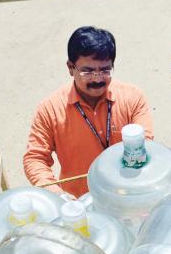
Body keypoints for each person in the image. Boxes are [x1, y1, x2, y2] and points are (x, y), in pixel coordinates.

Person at [24, 26, 154, 197]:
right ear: (70, 67)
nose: (98, 78)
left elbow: (146, 142)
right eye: (88, 71)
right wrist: (56, 193)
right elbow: (35, 159)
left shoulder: (132, 97)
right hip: (78, 202)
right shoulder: (49, 110)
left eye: (105, 70)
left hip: (128, 195)